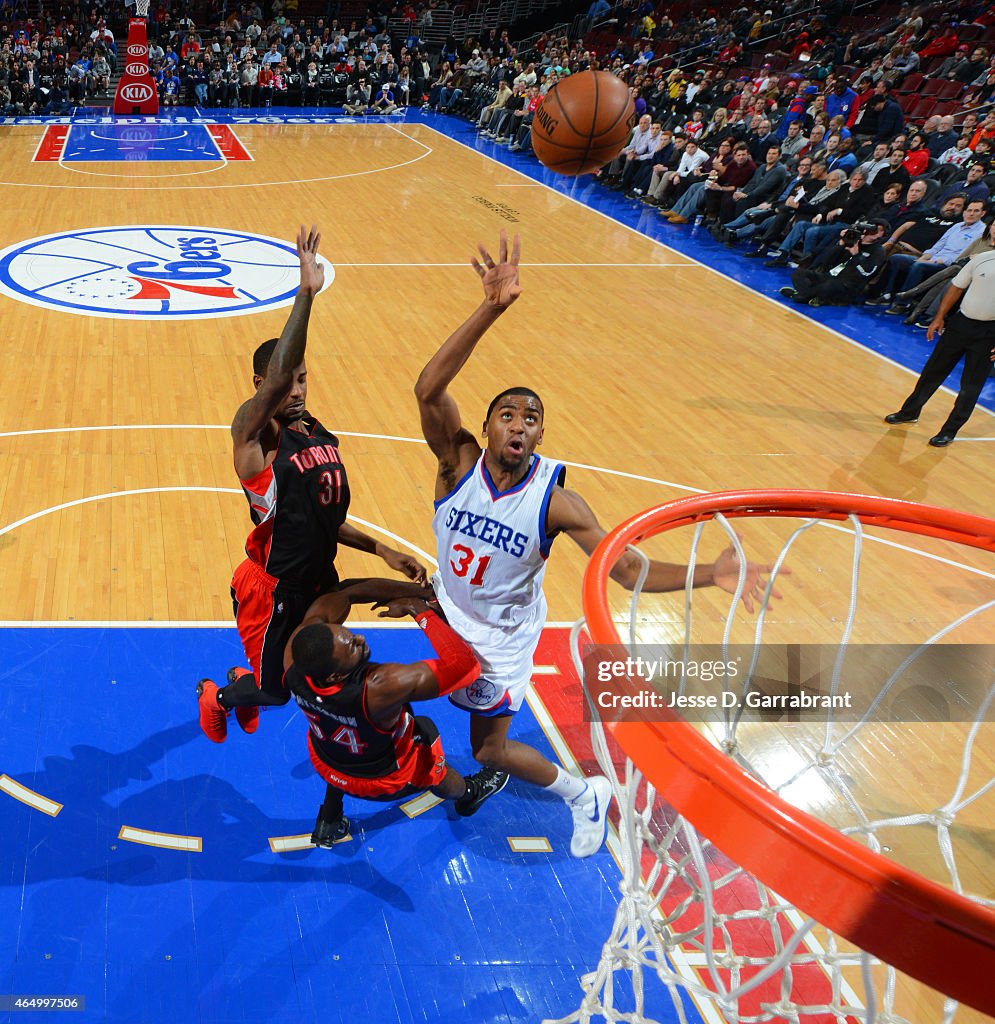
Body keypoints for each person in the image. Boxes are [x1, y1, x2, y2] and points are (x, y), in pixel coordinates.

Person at [413, 232, 781, 858]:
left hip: (501, 638)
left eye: (531, 418)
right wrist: (492, 309)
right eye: (508, 413)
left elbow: (627, 568)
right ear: (485, 425)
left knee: (489, 749)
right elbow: (427, 388)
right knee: (401, 692)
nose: (520, 423)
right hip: (449, 613)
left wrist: (706, 574)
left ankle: (586, 795)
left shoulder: (556, 503)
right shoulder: (457, 464)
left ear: (539, 435)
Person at [197, 226, 425, 743]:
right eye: (288, 379)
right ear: (263, 385)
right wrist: (305, 294)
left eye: (304, 378)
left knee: (308, 678)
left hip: (319, 575)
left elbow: (328, 519)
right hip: (273, 586)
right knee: (278, 692)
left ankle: (248, 681)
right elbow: (277, 380)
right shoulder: (255, 435)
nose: (297, 388)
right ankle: (220, 694)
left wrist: (383, 551)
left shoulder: (318, 434)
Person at [278, 580, 507, 846]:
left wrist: (410, 588)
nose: (360, 639)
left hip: (327, 761)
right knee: (426, 737)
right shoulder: (381, 687)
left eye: (349, 634)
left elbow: (342, 594)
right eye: (352, 646)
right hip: (381, 781)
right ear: (336, 675)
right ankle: (470, 795)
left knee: (344, 742)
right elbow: (465, 668)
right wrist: (419, 609)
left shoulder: (295, 659)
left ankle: (329, 817)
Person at [884, 246, 995, 446]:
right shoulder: (983, 258)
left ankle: (949, 431)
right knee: (932, 371)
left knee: (970, 386)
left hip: (990, 334)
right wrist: (939, 316)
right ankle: (909, 412)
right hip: (961, 324)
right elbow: (956, 287)